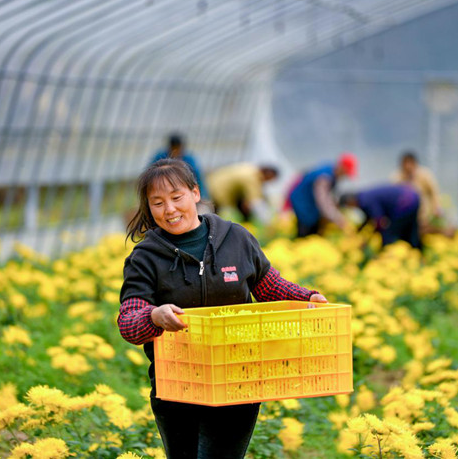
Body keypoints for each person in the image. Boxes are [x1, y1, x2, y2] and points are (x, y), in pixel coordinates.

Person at [118, 158, 328, 459]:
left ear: (195, 192)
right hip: (178, 385)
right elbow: (129, 320)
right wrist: (154, 316)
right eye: (158, 203)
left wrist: (307, 297)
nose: (170, 210)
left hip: (238, 378)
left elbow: (270, 286)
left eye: (177, 198)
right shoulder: (146, 257)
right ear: (149, 207)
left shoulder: (236, 238)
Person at [287, 153, 358, 237]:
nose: (345, 176)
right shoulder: (324, 178)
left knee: (312, 227)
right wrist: (338, 219)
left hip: (307, 202)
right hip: (302, 203)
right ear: (341, 167)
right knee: (306, 229)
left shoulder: (330, 170)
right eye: (346, 173)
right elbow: (323, 201)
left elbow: (328, 197)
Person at [340, 184, 422, 250]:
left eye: (349, 207)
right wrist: (359, 231)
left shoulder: (365, 201)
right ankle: (417, 256)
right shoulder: (364, 196)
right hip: (413, 197)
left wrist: (368, 240)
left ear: (350, 201)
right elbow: (369, 219)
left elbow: (379, 221)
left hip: (405, 203)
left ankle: (389, 257)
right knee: (411, 233)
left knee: (390, 235)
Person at [391, 151, 453, 236]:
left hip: (423, 214)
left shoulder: (424, 175)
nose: (408, 168)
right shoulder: (396, 178)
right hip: (405, 215)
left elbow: (434, 192)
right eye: (405, 165)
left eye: (410, 165)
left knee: (429, 228)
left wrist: (436, 207)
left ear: (415, 164)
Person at [206, 162, 279, 223]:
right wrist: (268, 221)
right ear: (268, 175)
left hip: (209, 184)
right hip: (216, 192)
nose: (267, 183)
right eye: (269, 180)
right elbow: (256, 202)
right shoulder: (253, 177)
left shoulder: (249, 169)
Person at [151, 133, 208, 198]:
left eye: (177, 149)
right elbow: (150, 173)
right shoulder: (160, 157)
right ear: (169, 148)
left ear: (181, 148)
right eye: (173, 149)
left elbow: (198, 178)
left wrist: (203, 195)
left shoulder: (189, 159)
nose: (175, 152)